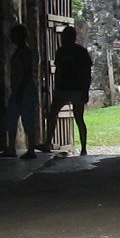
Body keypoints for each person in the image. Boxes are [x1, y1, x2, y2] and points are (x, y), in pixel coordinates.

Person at [44, 25, 94, 156]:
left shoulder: (75, 52)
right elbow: (60, 71)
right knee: (59, 115)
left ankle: (83, 147)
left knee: (76, 118)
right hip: (67, 88)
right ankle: (49, 142)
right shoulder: (66, 52)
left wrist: (85, 90)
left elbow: (86, 73)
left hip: (73, 89)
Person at [0, 24, 40, 159]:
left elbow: (27, 73)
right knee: (11, 118)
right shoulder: (20, 51)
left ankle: (31, 150)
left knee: (27, 119)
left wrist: (20, 90)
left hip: (24, 89)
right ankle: (11, 148)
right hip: (19, 88)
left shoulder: (25, 52)